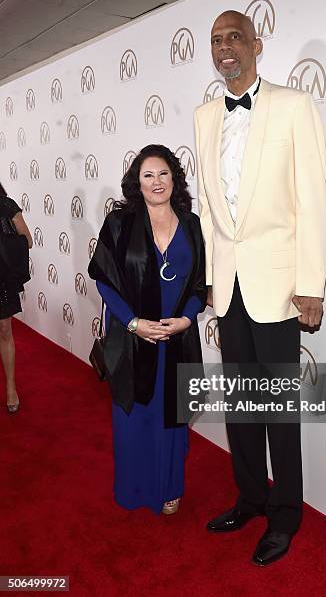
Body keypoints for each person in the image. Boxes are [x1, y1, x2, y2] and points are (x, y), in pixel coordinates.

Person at [194, 11, 326, 565]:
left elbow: (312, 199)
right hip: (228, 287)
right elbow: (207, 204)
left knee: (277, 410)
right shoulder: (205, 116)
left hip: (278, 286)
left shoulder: (294, 106)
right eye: (217, 41)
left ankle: (285, 514)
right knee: (240, 408)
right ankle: (250, 497)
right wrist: (206, 278)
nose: (226, 49)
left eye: (235, 39)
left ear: (257, 45)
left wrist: (311, 284)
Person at [88, 145, 206, 515]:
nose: (157, 182)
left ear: (175, 178)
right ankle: (135, 486)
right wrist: (135, 323)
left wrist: (187, 319)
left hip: (176, 338)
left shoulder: (191, 224)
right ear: (136, 182)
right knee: (133, 416)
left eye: (164, 174)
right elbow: (104, 280)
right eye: (148, 175)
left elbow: (201, 284)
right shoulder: (119, 224)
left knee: (170, 416)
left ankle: (170, 486)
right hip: (132, 338)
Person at [0, 182, 33, 413]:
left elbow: (27, 240)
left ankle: (11, 386)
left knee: (4, 330)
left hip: (1, 278)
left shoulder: (7, 205)